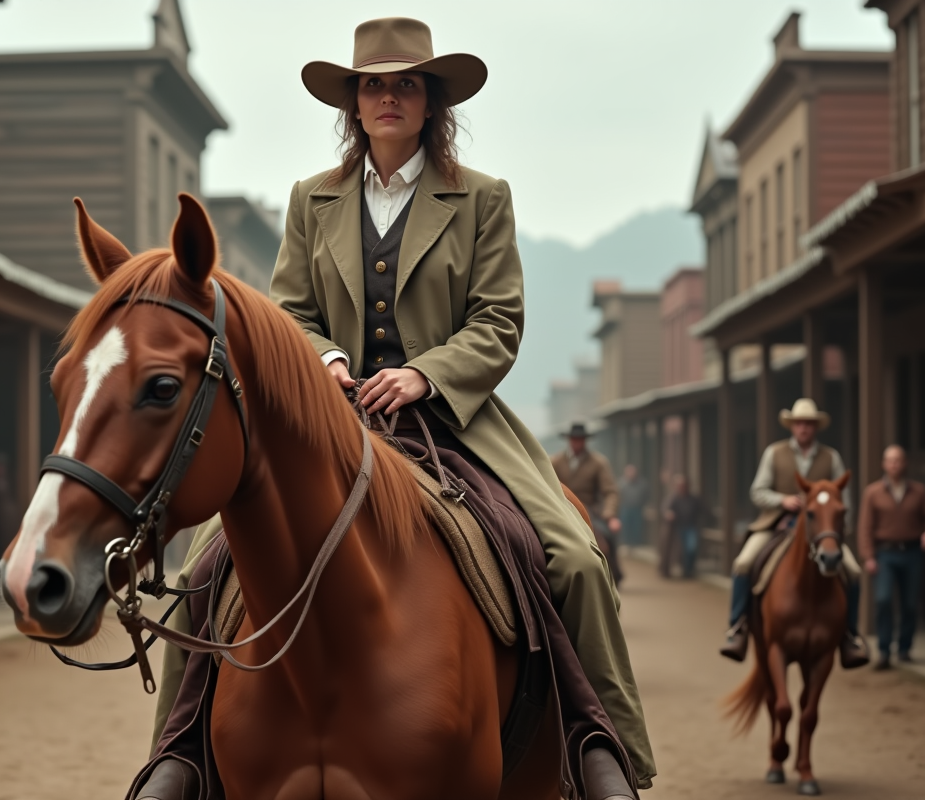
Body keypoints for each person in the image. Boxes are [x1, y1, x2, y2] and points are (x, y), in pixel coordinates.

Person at [142, 17, 654, 797]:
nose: (389, 97)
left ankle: (598, 744)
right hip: (330, 421)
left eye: (406, 83)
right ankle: (177, 757)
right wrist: (325, 360)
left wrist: (424, 375)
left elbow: (498, 321)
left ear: (430, 100)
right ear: (353, 102)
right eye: (373, 85)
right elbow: (291, 312)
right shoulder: (311, 199)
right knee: (206, 564)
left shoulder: (482, 198)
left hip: (451, 422)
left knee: (576, 559)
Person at [719, 398, 869, 668]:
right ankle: (737, 628)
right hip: (778, 524)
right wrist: (783, 500)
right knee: (742, 563)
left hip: (820, 531)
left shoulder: (831, 457)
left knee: (854, 571)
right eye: (799, 423)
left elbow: (843, 499)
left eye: (809, 423)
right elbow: (757, 491)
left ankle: (850, 635)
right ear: (792, 426)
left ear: (816, 427)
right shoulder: (774, 453)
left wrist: (836, 530)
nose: (804, 428)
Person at [858, 445, 925, 670]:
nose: (894, 464)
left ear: (905, 463)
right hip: (884, 554)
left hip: (912, 552)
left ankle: (904, 648)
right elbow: (865, 527)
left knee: (910, 603)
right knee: (883, 599)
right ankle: (884, 651)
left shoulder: (919, 491)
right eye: (890, 460)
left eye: (898, 460)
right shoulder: (873, 492)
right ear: (884, 464)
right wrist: (868, 556)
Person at [551, 422, 623, 584]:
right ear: (569, 440)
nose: (577, 442)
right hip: (561, 509)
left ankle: (612, 576)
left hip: (589, 511)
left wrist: (610, 515)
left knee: (607, 538)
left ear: (585, 440)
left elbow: (610, 491)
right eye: (574, 439)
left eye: (580, 439)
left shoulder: (598, 462)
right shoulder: (555, 461)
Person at [663, 474, 702, 579]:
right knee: (680, 551)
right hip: (678, 528)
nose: (682, 488)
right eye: (680, 486)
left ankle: (688, 570)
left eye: (683, 485)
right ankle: (683, 569)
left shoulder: (693, 498)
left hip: (690, 527)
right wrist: (668, 514)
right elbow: (666, 509)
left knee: (691, 549)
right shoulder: (673, 498)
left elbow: (703, 509)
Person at [618, 463, 648, 547]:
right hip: (625, 507)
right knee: (625, 526)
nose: (631, 474)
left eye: (633, 472)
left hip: (637, 508)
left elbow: (645, 495)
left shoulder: (642, 483)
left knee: (636, 527)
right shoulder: (621, 483)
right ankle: (625, 542)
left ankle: (635, 543)